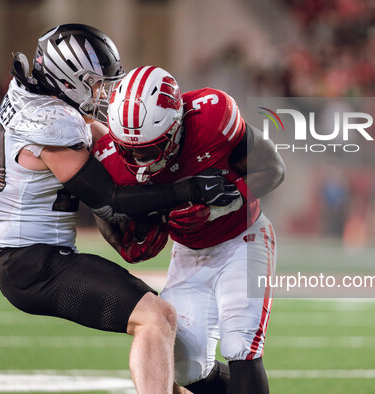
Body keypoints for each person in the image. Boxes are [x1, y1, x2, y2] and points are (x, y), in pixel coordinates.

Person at [0, 24, 239, 394]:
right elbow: (111, 203)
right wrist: (190, 189)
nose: (102, 92)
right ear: (65, 78)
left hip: (35, 259)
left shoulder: (30, 96)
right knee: (156, 318)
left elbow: (99, 137)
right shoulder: (52, 124)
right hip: (33, 266)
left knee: (162, 340)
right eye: (94, 82)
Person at [92, 65, 285, 393]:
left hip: (242, 237)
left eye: (148, 149)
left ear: (175, 128)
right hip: (188, 254)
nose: (137, 160)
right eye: (127, 148)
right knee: (185, 367)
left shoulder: (212, 118)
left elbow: (273, 169)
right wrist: (127, 243)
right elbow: (107, 209)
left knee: (241, 345)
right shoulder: (109, 154)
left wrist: (220, 205)